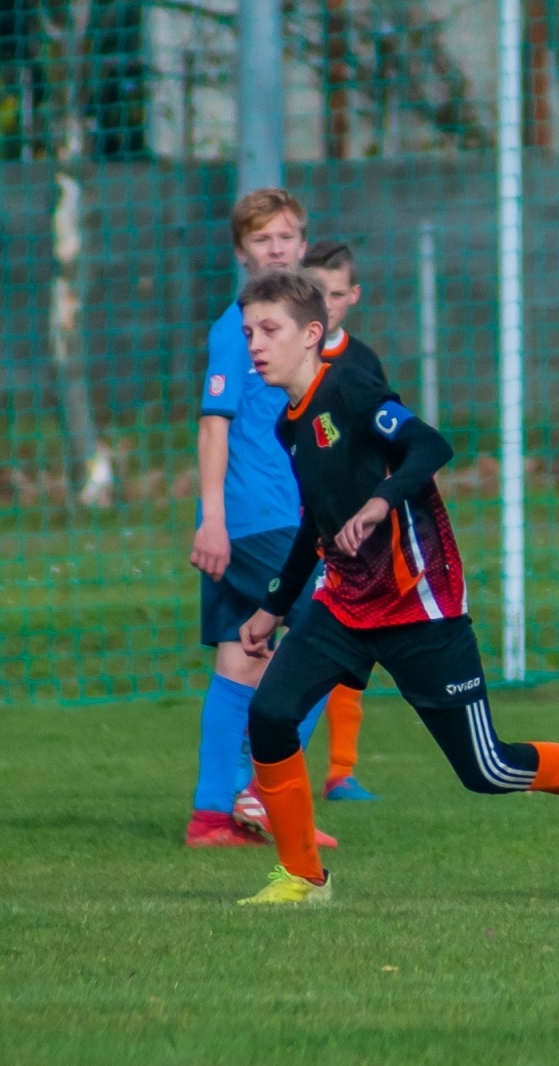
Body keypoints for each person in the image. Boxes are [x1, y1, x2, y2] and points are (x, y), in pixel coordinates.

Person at [230, 269, 559, 906]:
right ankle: (303, 878)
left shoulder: (351, 385)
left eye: (269, 330)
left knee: (486, 770)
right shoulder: (289, 424)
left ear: (312, 334)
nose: (256, 344)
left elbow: (430, 446)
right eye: (248, 332)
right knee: (270, 715)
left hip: (419, 606)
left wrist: (381, 503)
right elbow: (314, 522)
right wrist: (273, 605)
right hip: (344, 604)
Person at [185, 189, 333, 849]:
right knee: (337, 631)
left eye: (288, 237)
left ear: (303, 244)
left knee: (239, 661)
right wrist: (212, 519)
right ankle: (266, 793)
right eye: (263, 239)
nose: (277, 248)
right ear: (242, 250)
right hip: (251, 521)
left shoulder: (290, 328)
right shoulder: (237, 328)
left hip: (276, 515)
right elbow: (213, 427)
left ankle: (214, 817)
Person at [301, 239, 383, 802]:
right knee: (305, 641)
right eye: (314, 293)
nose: (324, 304)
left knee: (355, 642)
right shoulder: (284, 358)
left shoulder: (361, 363)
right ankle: (257, 780)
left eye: (334, 294)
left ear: (351, 297)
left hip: (349, 526)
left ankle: (340, 771)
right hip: (295, 524)